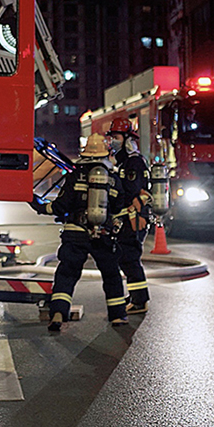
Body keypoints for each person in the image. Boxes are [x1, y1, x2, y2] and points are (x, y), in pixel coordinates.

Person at [30, 133, 128, 331]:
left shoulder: (75, 175)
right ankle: (118, 315)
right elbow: (120, 207)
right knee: (111, 275)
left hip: (75, 232)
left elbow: (60, 206)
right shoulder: (113, 178)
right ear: (105, 153)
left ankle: (58, 312)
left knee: (67, 273)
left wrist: (38, 204)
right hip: (103, 233)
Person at [106, 117, 152, 314]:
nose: (113, 141)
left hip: (134, 217)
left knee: (129, 258)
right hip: (128, 217)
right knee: (126, 257)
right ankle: (135, 296)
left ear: (126, 139)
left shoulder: (133, 163)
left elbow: (131, 191)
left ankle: (140, 301)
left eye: (116, 137)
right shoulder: (125, 162)